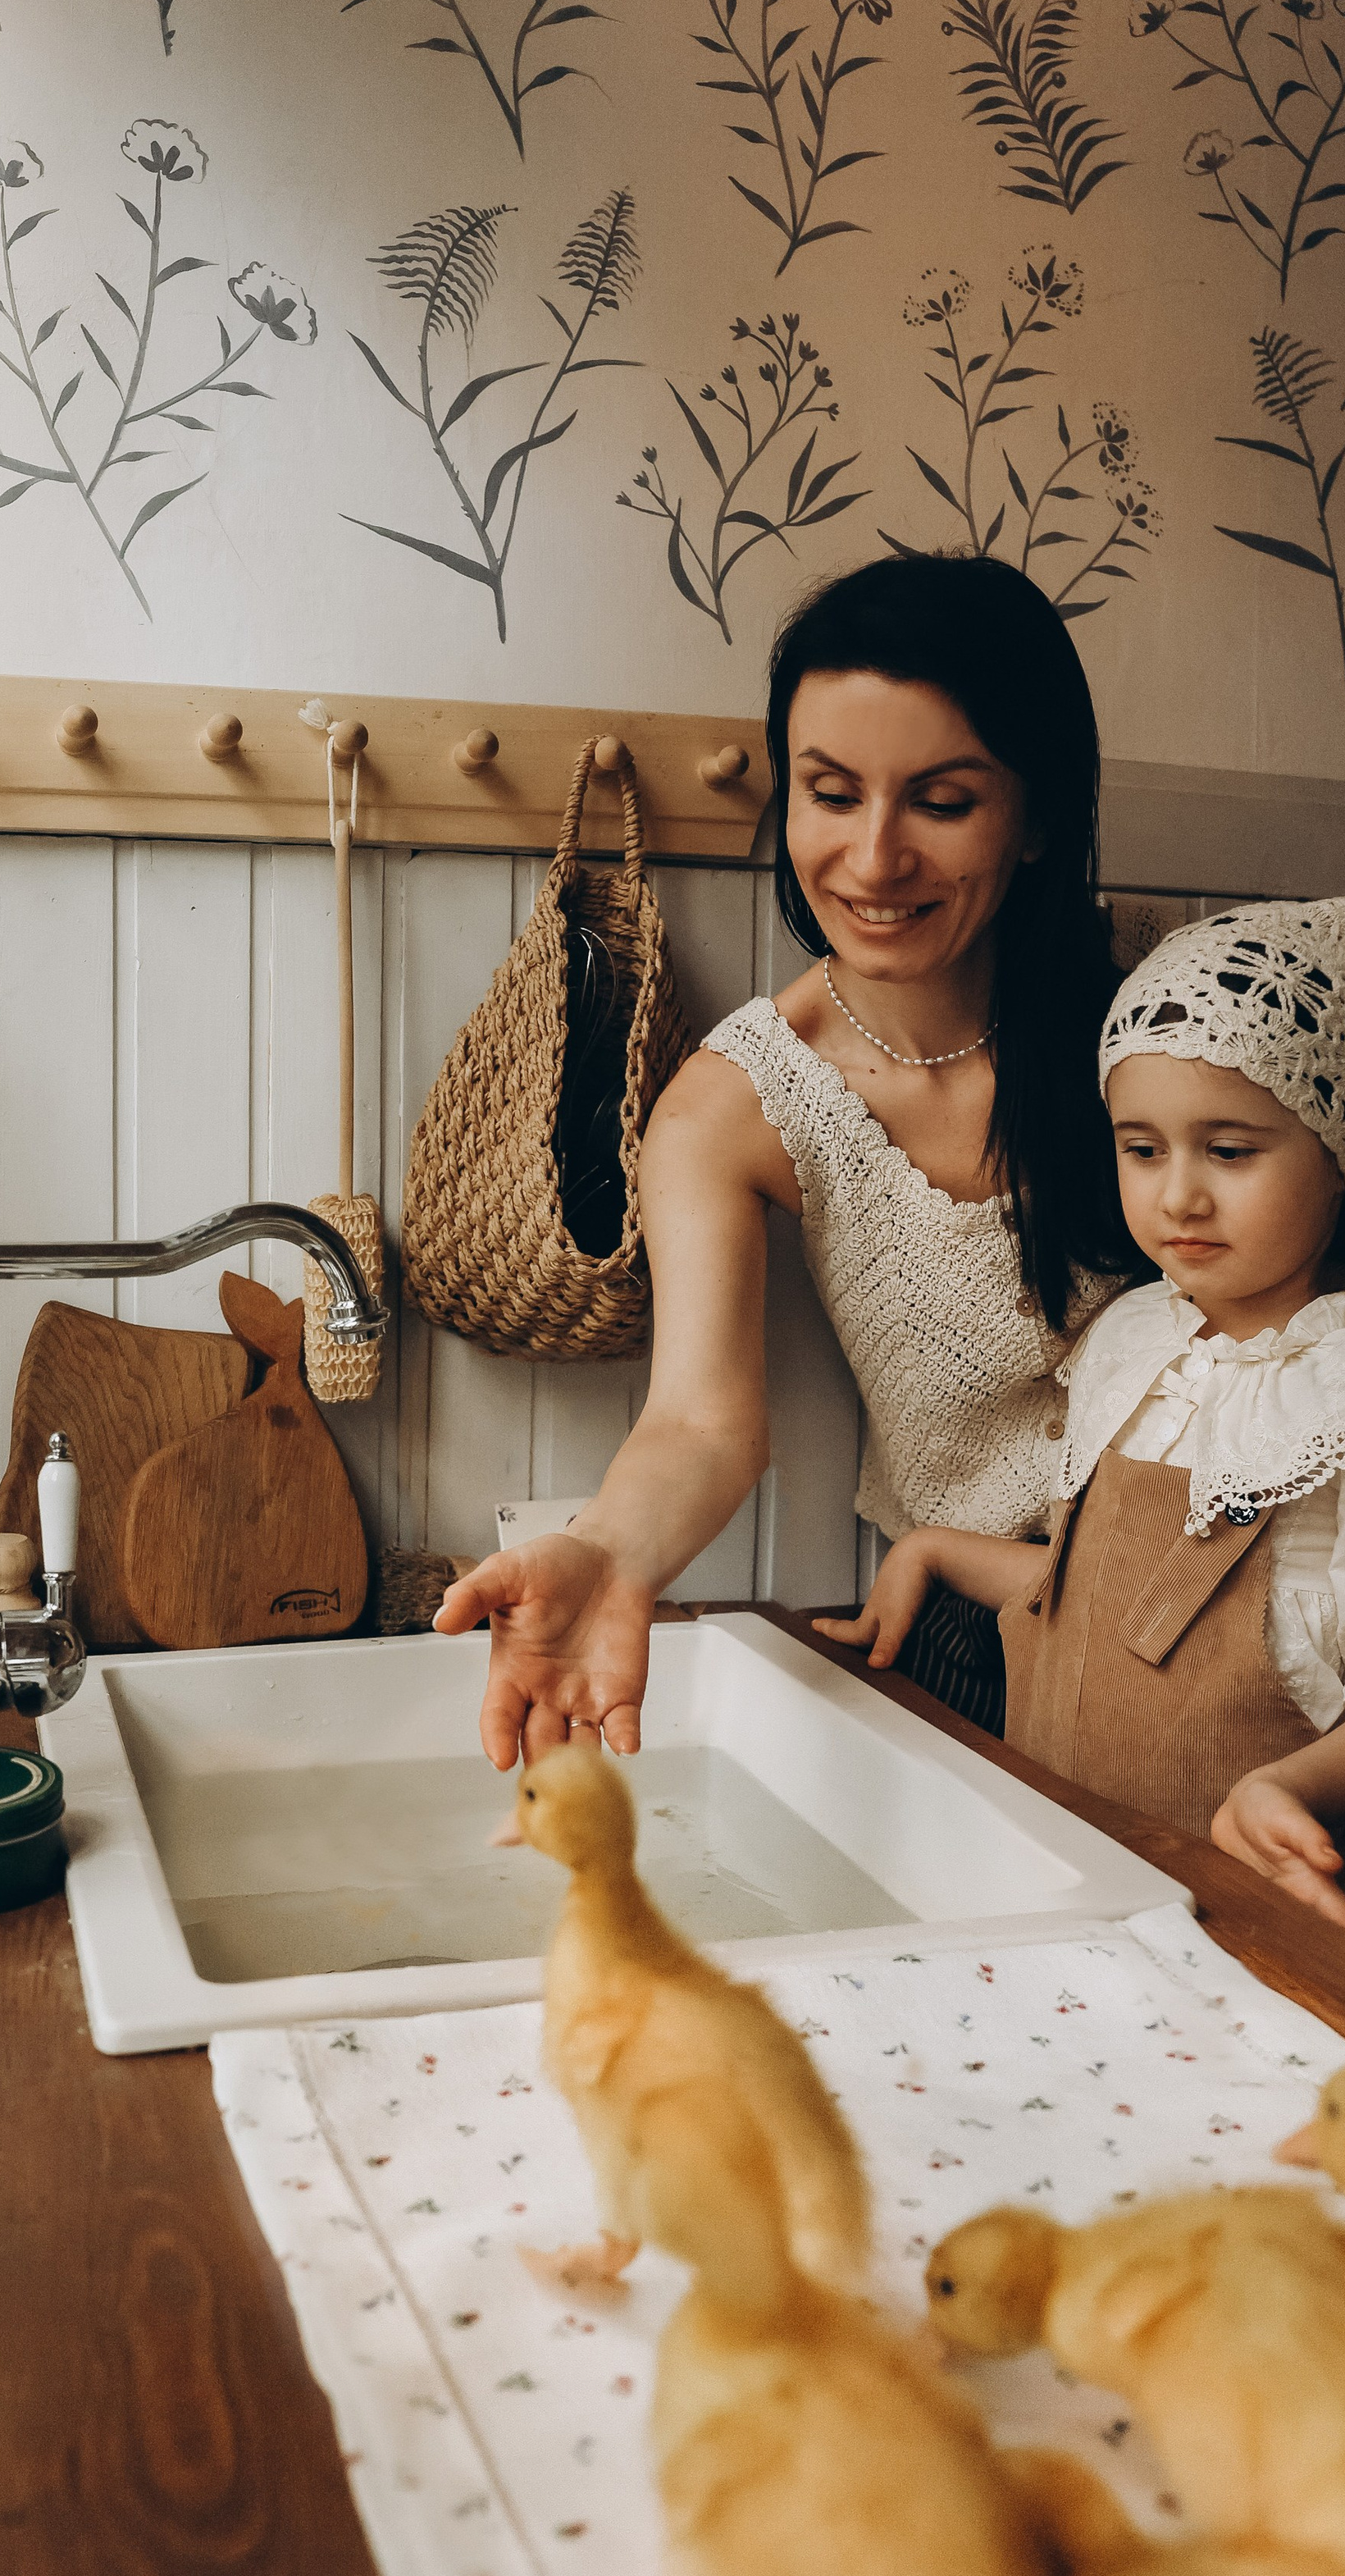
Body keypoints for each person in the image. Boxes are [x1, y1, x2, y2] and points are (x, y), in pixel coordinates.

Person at [814, 897, 1345, 2042]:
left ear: (1341, 1153)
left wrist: (1295, 1789)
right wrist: (933, 1550)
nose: (1178, 1194)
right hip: (1076, 1895)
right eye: (1142, 1149)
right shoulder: (1133, 1340)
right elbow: (1091, 1599)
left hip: (1268, 1927)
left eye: (1229, 1151)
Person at [435, 552, 1138, 1756]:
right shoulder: (739, 1101)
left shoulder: (1158, 1030)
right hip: (980, 1653)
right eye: (830, 792)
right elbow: (704, 1424)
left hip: (1273, 1635)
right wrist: (609, 1553)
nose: (872, 860)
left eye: (944, 801)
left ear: (1036, 819)